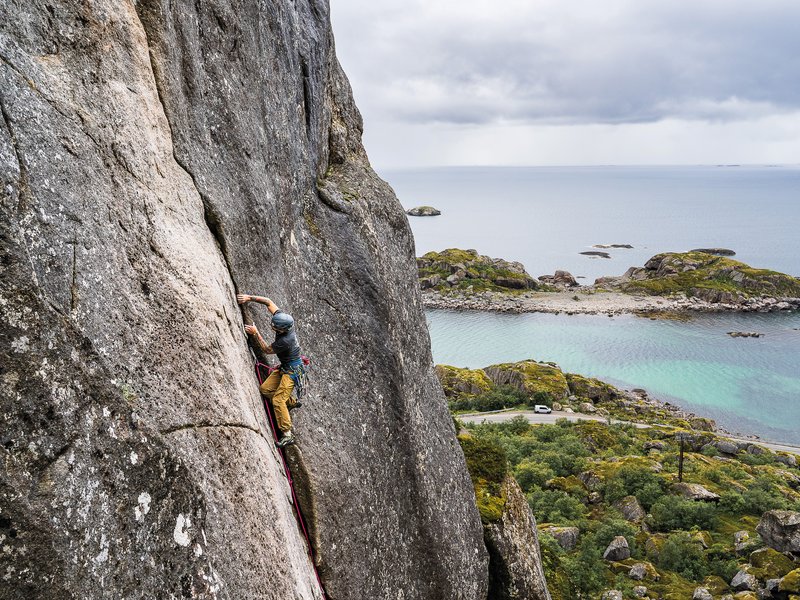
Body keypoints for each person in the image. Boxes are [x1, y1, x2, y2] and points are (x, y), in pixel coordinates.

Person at [237, 293, 303, 447]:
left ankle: (287, 434)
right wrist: (249, 297)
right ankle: (291, 402)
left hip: (292, 372)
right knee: (265, 390)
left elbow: (266, 349)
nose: (272, 326)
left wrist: (255, 332)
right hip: (286, 367)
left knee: (277, 400)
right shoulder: (285, 319)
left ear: (281, 329)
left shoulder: (286, 341)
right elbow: (268, 302)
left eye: (274, 327)